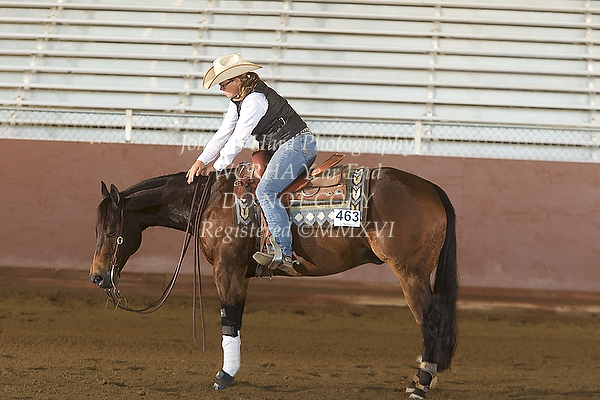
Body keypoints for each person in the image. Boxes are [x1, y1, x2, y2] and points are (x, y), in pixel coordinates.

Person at [186, 53, 317, 272]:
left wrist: (216, 166)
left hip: (297, 144)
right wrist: (201, 160)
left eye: (224, 83)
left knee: (266, 191)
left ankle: (284, 252)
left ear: (237, 80)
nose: (221, 89)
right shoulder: (239, 100)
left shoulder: (254, 100)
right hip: (284, 146)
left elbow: (238, 138)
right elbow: (224, 132)